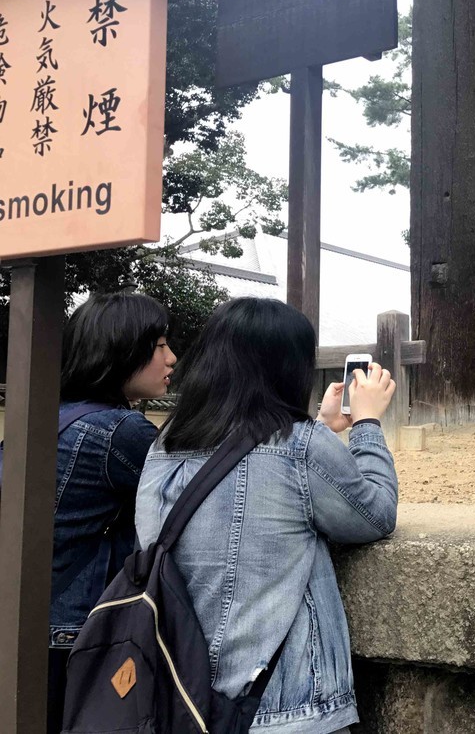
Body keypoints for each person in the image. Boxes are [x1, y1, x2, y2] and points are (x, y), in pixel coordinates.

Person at [135, 297, 398, 734]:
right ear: (289, 367)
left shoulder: (164, 444)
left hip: (180, 697)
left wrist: (322, 426)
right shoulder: (299, 445)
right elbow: (374, 515)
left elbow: (254, 480)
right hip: (283, 707)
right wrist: (367, 423)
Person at [49, 292, 176, 734]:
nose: (172, 358)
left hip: (32, 619)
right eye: (159, 345)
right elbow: (198, 490)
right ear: (122, 349)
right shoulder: (120, 431)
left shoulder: (54, 417)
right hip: (72, 635)